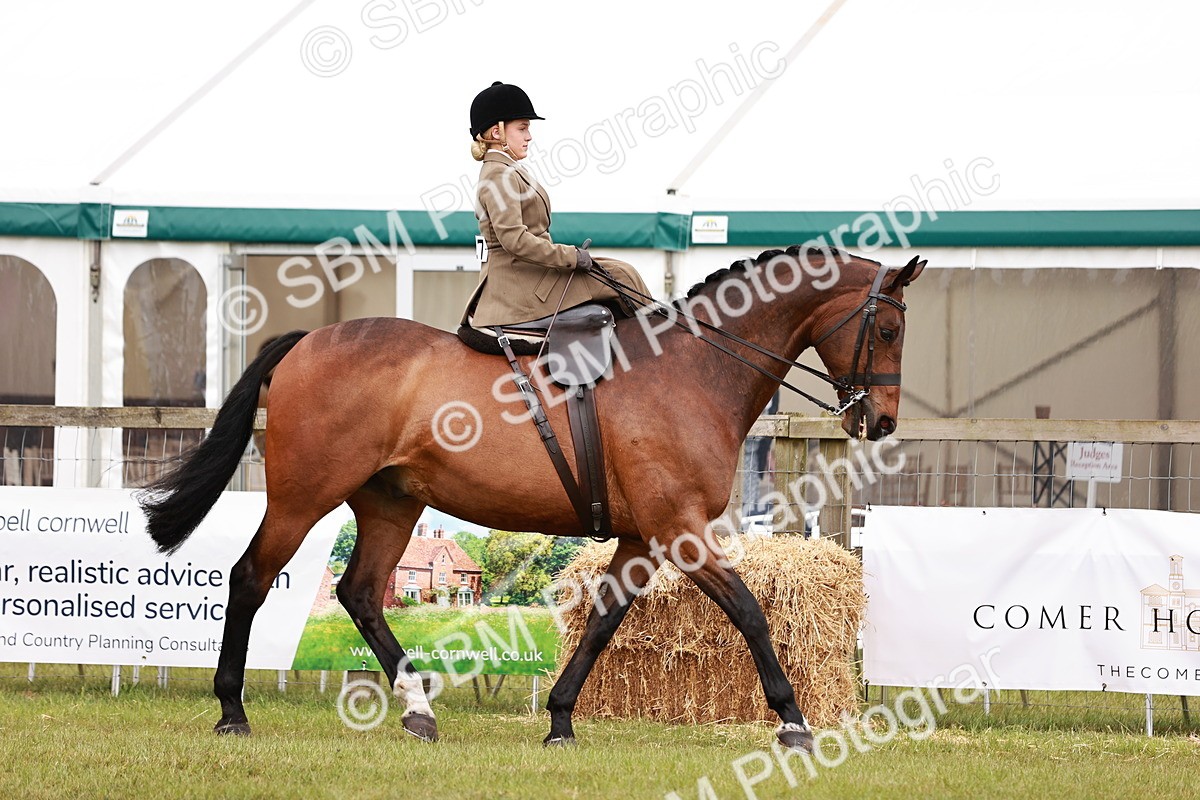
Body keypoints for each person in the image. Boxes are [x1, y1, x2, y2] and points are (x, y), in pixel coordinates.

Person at [460, 81, 652, 329]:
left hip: (531, 273)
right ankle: (660, 340)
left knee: (621, 269)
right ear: (497, 133)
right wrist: (570, 255)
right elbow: (514, 240)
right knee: (622, 276)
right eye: (522, 128)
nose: (529, 136)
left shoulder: (508, 169)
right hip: (520, 284)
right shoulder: (498, 175)